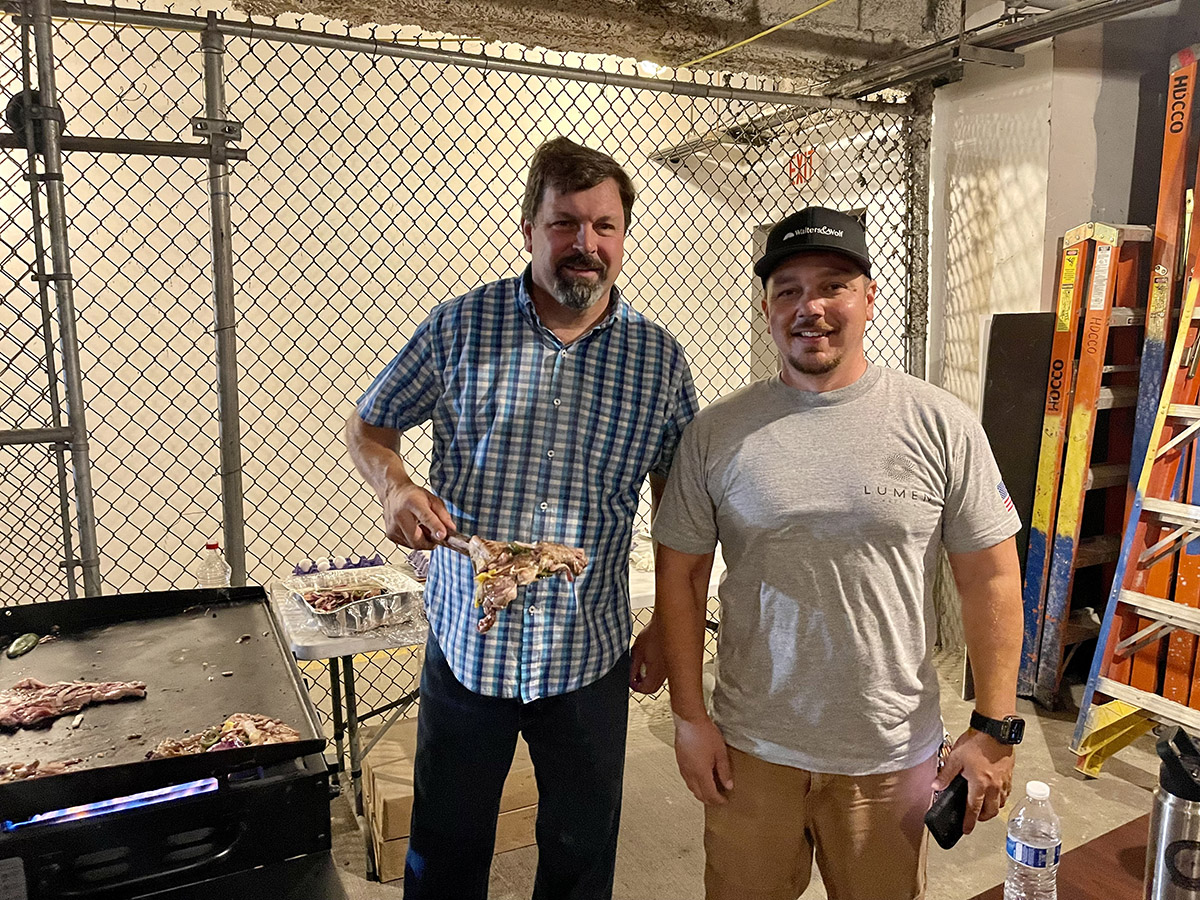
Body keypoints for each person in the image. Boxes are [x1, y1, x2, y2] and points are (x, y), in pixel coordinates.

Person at [345, 136, 698, 900]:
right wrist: (395, 490)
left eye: (604, 226)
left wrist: (671, 626)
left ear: (623, 236)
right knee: (445, 845)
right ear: (530, 229)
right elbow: (370, 425)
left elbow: (681, 503)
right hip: (471, 647)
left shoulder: (658, 360)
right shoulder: (459, 328)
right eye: (565, 224)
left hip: (588, 651)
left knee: (580, 851)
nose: (585, 244)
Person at [652, 207, 1024, 900]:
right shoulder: (717, 434)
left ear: (869, 298)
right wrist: (689, 718)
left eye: (833, 285)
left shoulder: (940, 424)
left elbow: (992, 578)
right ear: (767, 309)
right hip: (749, 752)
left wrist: (994, 729)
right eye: (788, 289)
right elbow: (681, 576)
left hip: (887, 757)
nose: (810, 307)